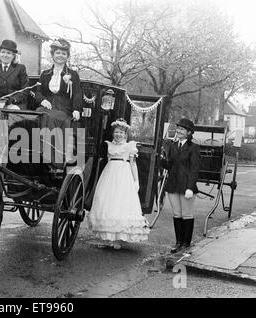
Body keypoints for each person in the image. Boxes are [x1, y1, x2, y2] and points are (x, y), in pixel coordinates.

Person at [87, 118, 150, 249]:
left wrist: (136, 181)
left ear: (125, 134)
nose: (118, 135)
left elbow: (133, 165)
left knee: (120, 203)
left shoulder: (129, 146)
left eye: (121, 132)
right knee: (108, 203)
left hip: (123, 175)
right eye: (116, 132)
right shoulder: (109, 145)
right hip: (109, 175)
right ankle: (110, 237)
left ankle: (119, 238)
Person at [34, 38, 82, 165]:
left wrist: (77, 109)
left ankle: (51, 157)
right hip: (47, 106)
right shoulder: (45, 74)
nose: (60, 56)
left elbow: (77, 93)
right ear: (52, 55)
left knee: (51, 117)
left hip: (63, 108)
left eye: (63, 54)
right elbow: (37, 92)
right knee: (37, 115)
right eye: (58, 53)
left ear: (67, 57)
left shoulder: (72, 74)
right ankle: (36, 149)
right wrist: (42, 100)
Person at [160, 118, 200, 253]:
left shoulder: (193, 148)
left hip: (186, 186)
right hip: (173, 185)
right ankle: (178, 242)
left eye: (182, 129)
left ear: (189, 132)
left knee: (186, 214)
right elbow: (170, 166)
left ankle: (186, 243)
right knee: (177, 214)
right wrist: (160, 160)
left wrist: (190, 187)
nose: (179, 131)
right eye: (178, 128)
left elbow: (194, 169)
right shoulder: (172, 145)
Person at [0, 39, 29, 110]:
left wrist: (13, 99)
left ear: (13, 56)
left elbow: (25, 90)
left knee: (11, 112)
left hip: (17, 103)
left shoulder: (20, 68)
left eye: (8, 53)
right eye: (3, 52)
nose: (5, 55)